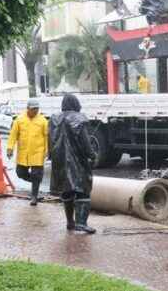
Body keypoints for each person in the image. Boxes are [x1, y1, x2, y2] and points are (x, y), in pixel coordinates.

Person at [49, 94, 97, 234]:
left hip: (60, 160)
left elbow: (50, 139)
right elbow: (85, 142)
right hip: (77, 161)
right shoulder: (78, 118)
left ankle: (70, 222)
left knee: (67, 191)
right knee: (83, 191)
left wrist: (52, 156)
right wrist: (92, 155)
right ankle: (81, 223)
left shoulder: (54, 119)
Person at [7, 99, 48, 206]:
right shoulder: (19, 120)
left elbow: (47, 137)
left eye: (37, 109)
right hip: (23, 153)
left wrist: (48, 151)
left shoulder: (43, 120)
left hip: (38, 152)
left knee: (36, 174)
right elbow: (13, 135)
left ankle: (34, 196)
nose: (35, 111)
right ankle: (36, 181)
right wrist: (10, 148)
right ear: (28, 109)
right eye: (33, 109)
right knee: (20, 173)